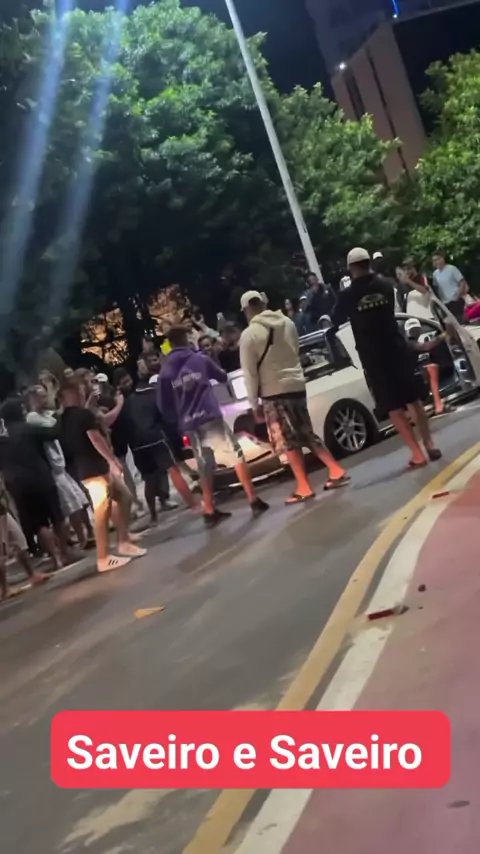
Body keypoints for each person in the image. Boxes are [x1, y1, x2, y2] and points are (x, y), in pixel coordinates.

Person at [332, 248, 441, 469]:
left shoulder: (348, 295)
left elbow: (335, 318)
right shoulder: (386, 286)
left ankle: (417, 454)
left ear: (351, 267)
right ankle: (429, 444)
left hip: (373, 356)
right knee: (413, 400)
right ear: (369, 262)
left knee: (393, 407)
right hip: (396, 348)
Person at [239, 291, 349, 503]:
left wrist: (254, 403)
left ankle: (303, 486)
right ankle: (336, 470)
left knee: (287, 440)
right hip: (296, 385)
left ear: (246, 310)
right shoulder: (287, 322)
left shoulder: (249, 335)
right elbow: (295, 350)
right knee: (306, 432)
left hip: (274, 392)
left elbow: (250, 373)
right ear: (263, 303)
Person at [158, 325, 269, 527]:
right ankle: (253, 499)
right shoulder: (199, 359)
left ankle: (209, 510)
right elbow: (222, 377)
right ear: (185, 339)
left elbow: (163, 405)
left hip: (189, 423)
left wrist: (179, 418)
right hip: (209, 417)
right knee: (236, 455)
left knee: (204, 465)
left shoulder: (165, 372)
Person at [60, 376, 146, 572]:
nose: (85, 390)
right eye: (81, 388)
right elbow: (96, 438)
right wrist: (112, 460)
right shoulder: (83, 415)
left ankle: (123, 541)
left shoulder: (66, 418)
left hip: (87, 467)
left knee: (124, 496)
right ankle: (103, 557)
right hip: (95, 468)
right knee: (102, 511)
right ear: (72, 392)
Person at [0, 398, 74, 571]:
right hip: (41, 478)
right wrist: (58, 414)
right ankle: (64, 553)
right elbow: (54, 432)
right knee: (57, 518)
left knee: (39, 524)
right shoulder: (28, 428)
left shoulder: (2, 440)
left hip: (18, 486)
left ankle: (56, 559)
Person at [113, 367, 194, 524]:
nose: (128, 384)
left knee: (149, 480)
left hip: (137, 446)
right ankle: (193, 504)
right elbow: (161, 415)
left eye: (128, 380)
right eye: (125, 382)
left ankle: (153, 516)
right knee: (173, 470)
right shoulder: (145, 395)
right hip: (155, 439)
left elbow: (120, 430)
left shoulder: (119, 406)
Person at [27, 385, 93, 549]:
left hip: (62, 467)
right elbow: (54, 428)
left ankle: (87, 533)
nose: (45, 400)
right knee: (71, 506)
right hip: (52, 470)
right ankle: (81, 539)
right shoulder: (32, 418)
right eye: (42, 397)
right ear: (33, 399)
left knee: (80, 500)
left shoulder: (48, 414)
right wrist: (58, 413)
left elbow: (56, 422)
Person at [403, 318, 452, 416]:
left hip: (416, 372)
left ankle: (436, 403)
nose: (416, 332)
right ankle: (438, 405)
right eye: (413, 330)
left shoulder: (412, 342)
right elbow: (425, 347)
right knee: (432, 368)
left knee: (433, 367)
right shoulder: (410, 343)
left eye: (417, 329)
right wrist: (442, 336)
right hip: (414, 374)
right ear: (408, 332)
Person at [432, 252, 468, 322]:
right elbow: (436, 288)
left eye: (438, 259)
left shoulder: (452, 269)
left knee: (459, 321)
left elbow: (462, 282)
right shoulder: (435, 274)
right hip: (445, 303)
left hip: (455, 300)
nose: (436, 262)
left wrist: (457, 296)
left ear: (443, 259)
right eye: (434, 260)